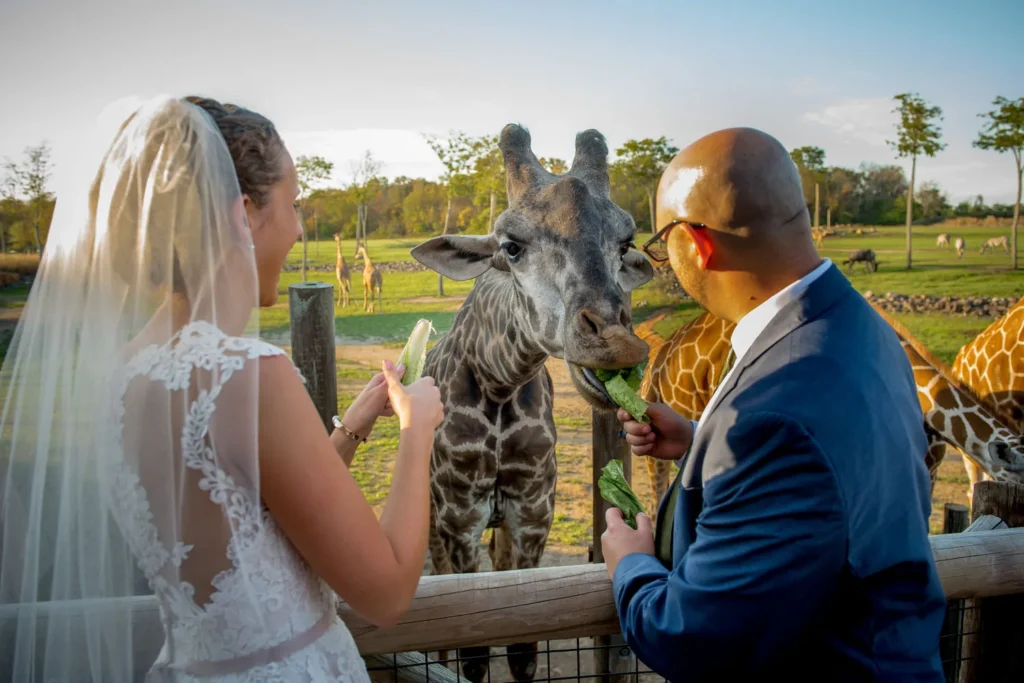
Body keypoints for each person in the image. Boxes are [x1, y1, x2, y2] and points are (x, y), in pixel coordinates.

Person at [0, 95, 444, 683]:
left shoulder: (125, 376)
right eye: (294, 204)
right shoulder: (250, 373)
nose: (298, 227)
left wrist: (354, 424)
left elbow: (249, 522)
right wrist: (419, 433)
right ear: (244, 214)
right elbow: (386, 595)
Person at [601, 127, 946, 681]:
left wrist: (632, 565)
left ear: (697, 244)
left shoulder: (769, 418)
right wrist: (701, 444)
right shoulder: (861, 327)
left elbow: (693, 638)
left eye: (662, 244)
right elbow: (833, 472)